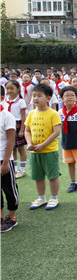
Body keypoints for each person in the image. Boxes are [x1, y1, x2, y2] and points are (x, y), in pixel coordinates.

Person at [24, 84, 62, 210]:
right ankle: (41, 198)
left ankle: (54, 198)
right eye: (34, 95)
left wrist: (43, 145)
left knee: (52, 175)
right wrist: (29, 143)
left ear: (48, 98)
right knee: (37, 176)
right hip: (34, 152)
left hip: (49, 151)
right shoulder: (31, 113)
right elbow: (27, 130)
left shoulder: (53, 114)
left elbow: (56, 132)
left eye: (39, 96)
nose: (35, 98)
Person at [59, 86, 77, 193]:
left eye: (72, 95)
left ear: (76, 98)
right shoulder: (60, 112)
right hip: (66, 143)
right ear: (62, 98)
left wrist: (76, 131)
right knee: (70, 163)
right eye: (67, 95)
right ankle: (73, 182)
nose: (70, 98)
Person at [0, 85, 18, 232]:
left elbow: (11, 140)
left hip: (3, 159)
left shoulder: (7, 116)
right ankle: (1, 217)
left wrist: (6, 161)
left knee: (9, 188)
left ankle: (11, 216)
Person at [2, 80, 28, 179]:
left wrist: (22, 130)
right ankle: (15, 169)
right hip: (8, 125)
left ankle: (22, 170)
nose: (9, 90)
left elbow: (23, 117)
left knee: (21, 149)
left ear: (18, 89)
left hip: (17, 125)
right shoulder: (5, 101)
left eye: (12, 88)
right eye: (7, 88)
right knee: (12, 149)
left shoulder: (21, 102)